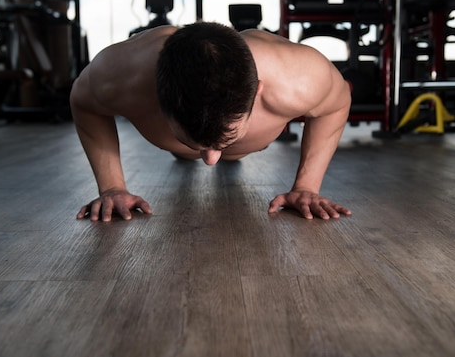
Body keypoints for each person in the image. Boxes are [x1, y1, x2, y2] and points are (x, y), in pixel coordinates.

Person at [70, 21, 352, 222]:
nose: (210, 161)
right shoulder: (120, 75)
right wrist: (112, 187)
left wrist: (307, 187)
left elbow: (337, 104)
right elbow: (83, 104)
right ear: (158, 99)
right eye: (190, 140)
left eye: (228, 139)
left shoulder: (300, 78)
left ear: (257, 93)